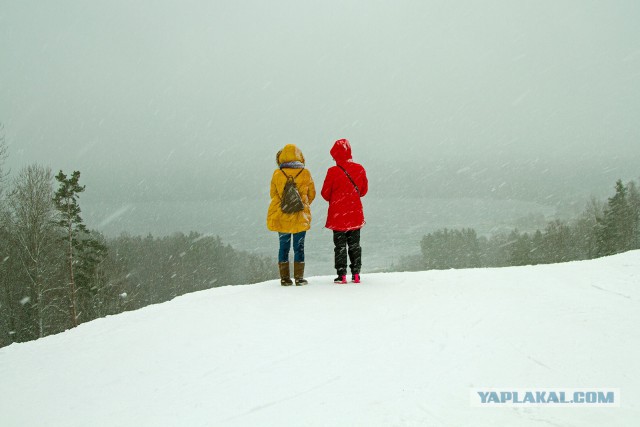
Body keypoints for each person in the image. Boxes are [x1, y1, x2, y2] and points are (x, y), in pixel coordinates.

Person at [267, 144, 316, 286]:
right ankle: (299, 278)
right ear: (299, 156)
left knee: (283, 247)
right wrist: (301, 205)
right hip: (300, 217)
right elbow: (312, 194)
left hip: (282, 216)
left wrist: (286, 204)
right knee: (299, 247)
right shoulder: (305, 173)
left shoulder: (277, 174)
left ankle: (284, 278)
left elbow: (273, 194)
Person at [321, 138, 368, 284]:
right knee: (355, 245)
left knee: (340, 246)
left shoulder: (332, 172)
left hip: (338, 215)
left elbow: (325, 194)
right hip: (354, 214)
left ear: (335, 155)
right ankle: (356, 274)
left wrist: (337, 199)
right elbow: (363, 191)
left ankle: (341, 275)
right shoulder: (359, 169)